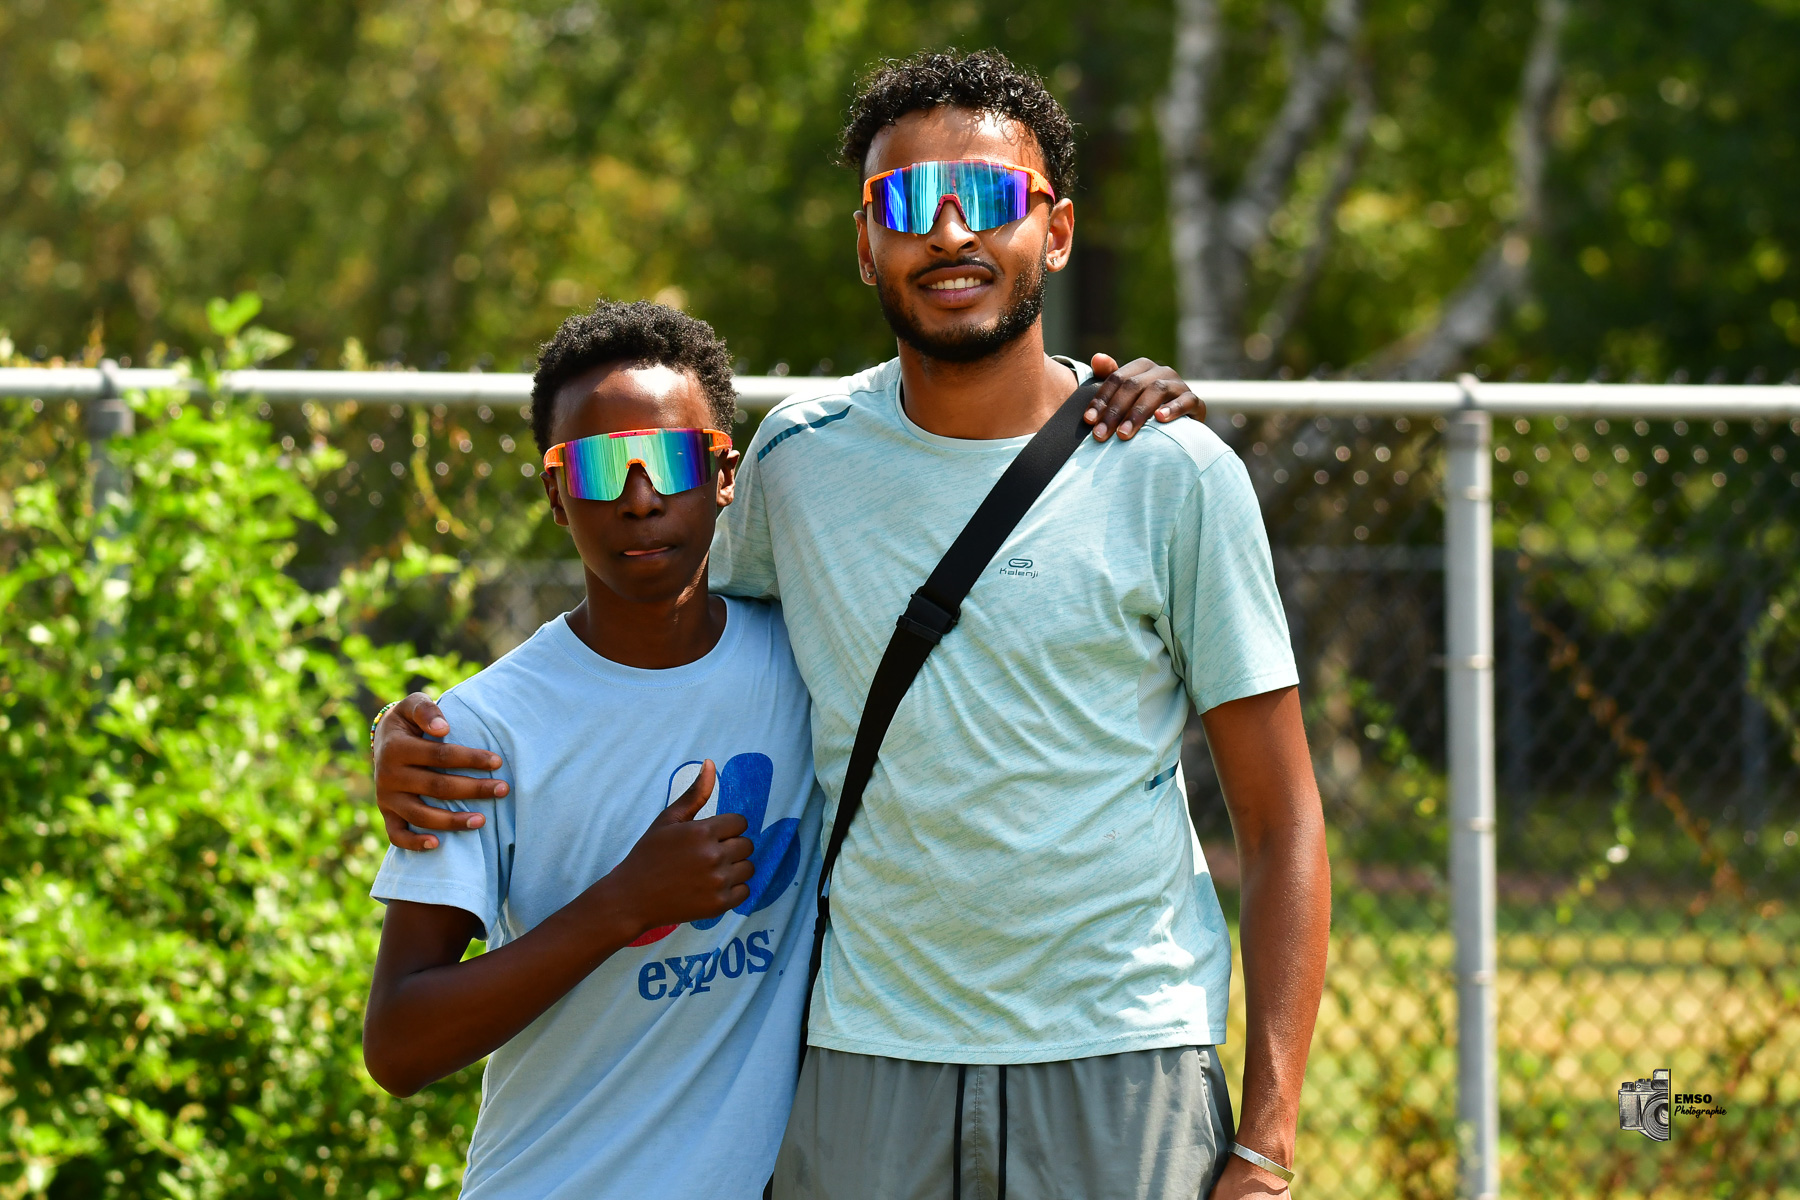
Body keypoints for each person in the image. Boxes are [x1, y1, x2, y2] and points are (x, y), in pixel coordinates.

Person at [374, 49, 1328, 1200]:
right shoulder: (795, 462)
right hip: (867, 1062)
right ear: (865, 243)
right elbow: (661, 625)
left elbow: (1283, 828)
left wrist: (1266, 1148)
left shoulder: (1173, 474)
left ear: (1057, 230)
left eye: (987, 197)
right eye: (908, 204)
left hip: (1121, 1057)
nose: (949, 234)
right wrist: (415, 735)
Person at [361, 301, 825, 1199]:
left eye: (676, 460)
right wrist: (624, 906)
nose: (641, 496)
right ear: (555, 493)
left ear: (725, 475)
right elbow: (399, 1045)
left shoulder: (813, 657)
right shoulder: (482, 734)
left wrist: (1114, 396)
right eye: (602, 467)